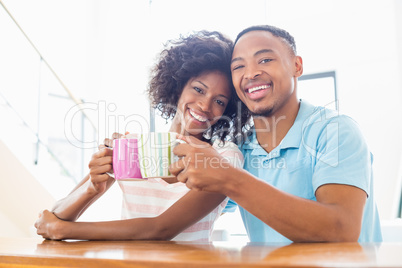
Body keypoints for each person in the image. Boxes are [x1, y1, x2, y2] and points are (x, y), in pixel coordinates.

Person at [169, 25, 383, 243]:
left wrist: (229, 179)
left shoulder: (335, 132)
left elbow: (341, 229)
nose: (250, 73)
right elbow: (183, 211)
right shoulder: (238, 150)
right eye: (239, 66)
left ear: (296, 66)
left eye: (265, 60)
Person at [34, 30, 244, 241]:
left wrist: (64, 231)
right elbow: (57, 215)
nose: (204, 105)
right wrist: (92, 188)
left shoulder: (224, 158)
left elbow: (161, 229)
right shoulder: (132, 147)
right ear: (178, 85)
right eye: (198, 89)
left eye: (219, 101)